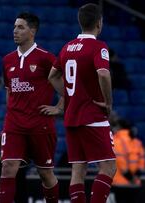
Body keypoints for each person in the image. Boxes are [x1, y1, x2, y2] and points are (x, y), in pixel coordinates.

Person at [47, 3, 116, 203]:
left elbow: (52, 76)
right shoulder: (98, 46)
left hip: (72, 117)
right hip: (93, 114)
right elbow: (103, 74)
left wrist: (70, 94)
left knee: (78, 170)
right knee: (109, 167)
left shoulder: (67, 47)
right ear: (99, 23)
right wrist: (108, 102)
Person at [0, 12, 62, 203]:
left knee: (45, 174)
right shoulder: (7, 60)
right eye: (14, 27)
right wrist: (8, 119)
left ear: (32, 31)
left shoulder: (46, 58)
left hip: (39, 124)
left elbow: (68, 85)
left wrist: (59, 108)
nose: (15, 31)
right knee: (8, 166)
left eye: (20, 27)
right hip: (14, 123)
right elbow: (8, 90)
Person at [112, 119, 145, 203]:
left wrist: (129, 177)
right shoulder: (137, 142)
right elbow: (141, 161)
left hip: (120, 183)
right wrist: (136, 176)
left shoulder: (116, 141)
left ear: (119, 127)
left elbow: (120, 161)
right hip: (135, 184)